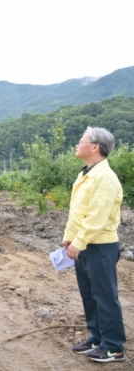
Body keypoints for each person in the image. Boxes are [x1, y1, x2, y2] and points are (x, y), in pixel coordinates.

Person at [63, 127, 126, 363]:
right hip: (85, 244)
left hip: (100, 246)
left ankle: (113, 345)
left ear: (95, 147)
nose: (77, 145)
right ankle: (97, 336)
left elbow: (98, 217)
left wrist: (79, 242)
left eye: (81, 141)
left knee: (105, 296)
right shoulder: (86, 174)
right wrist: (69, 236)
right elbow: (78, 211)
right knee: (89, 294)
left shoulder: (105, 178)